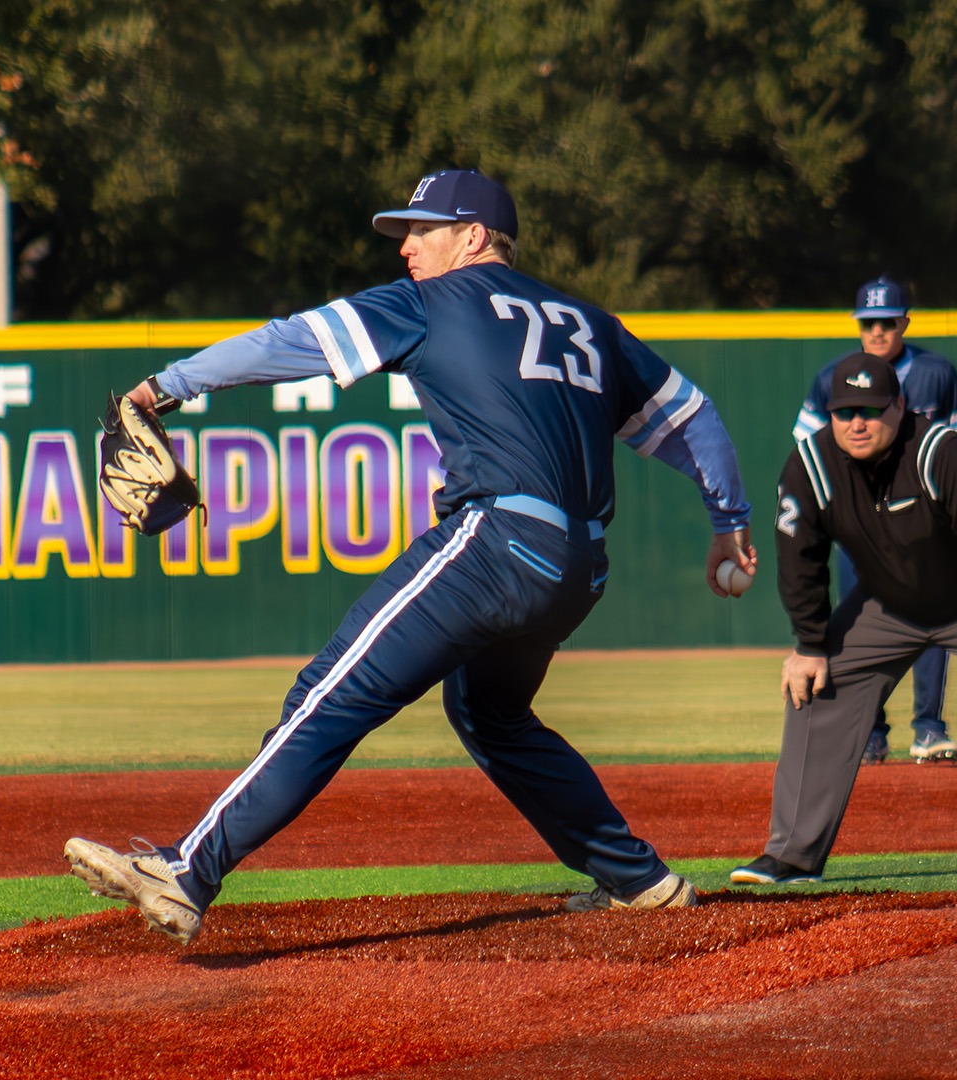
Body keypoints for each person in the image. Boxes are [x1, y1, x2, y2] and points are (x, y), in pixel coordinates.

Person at [65, 168, 756, 942]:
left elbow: (287, 343)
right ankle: (641, 881)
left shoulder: (434, 302)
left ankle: (188, 869)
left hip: (494, 544)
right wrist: (728, 521)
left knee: (329, 694)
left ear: (473, 236)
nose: (406, 251)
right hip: (579, 566)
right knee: (492, 715)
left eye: (421, 232)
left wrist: (167, 386)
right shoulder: (591, 323)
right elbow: (697, 420)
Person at [730, 353, 957, 887]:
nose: (858, 423)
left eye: (871, 409)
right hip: (888, 607)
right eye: (845, 411)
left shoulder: (943, 453)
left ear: (899, 406)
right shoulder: (810, 466)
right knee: (814, 683)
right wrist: (809, 644)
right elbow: (799, 560)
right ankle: (793, 854)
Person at [792, 276, 957, 766]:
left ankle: (928, 729)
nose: (878, 331)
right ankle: (869, 733)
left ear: (904, 322)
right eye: (869, 322)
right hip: (857, 527)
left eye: (887, 321)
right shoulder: (831, 377)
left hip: (922, 526)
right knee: (855, 628)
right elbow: (806, 446)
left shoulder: (934, 373)